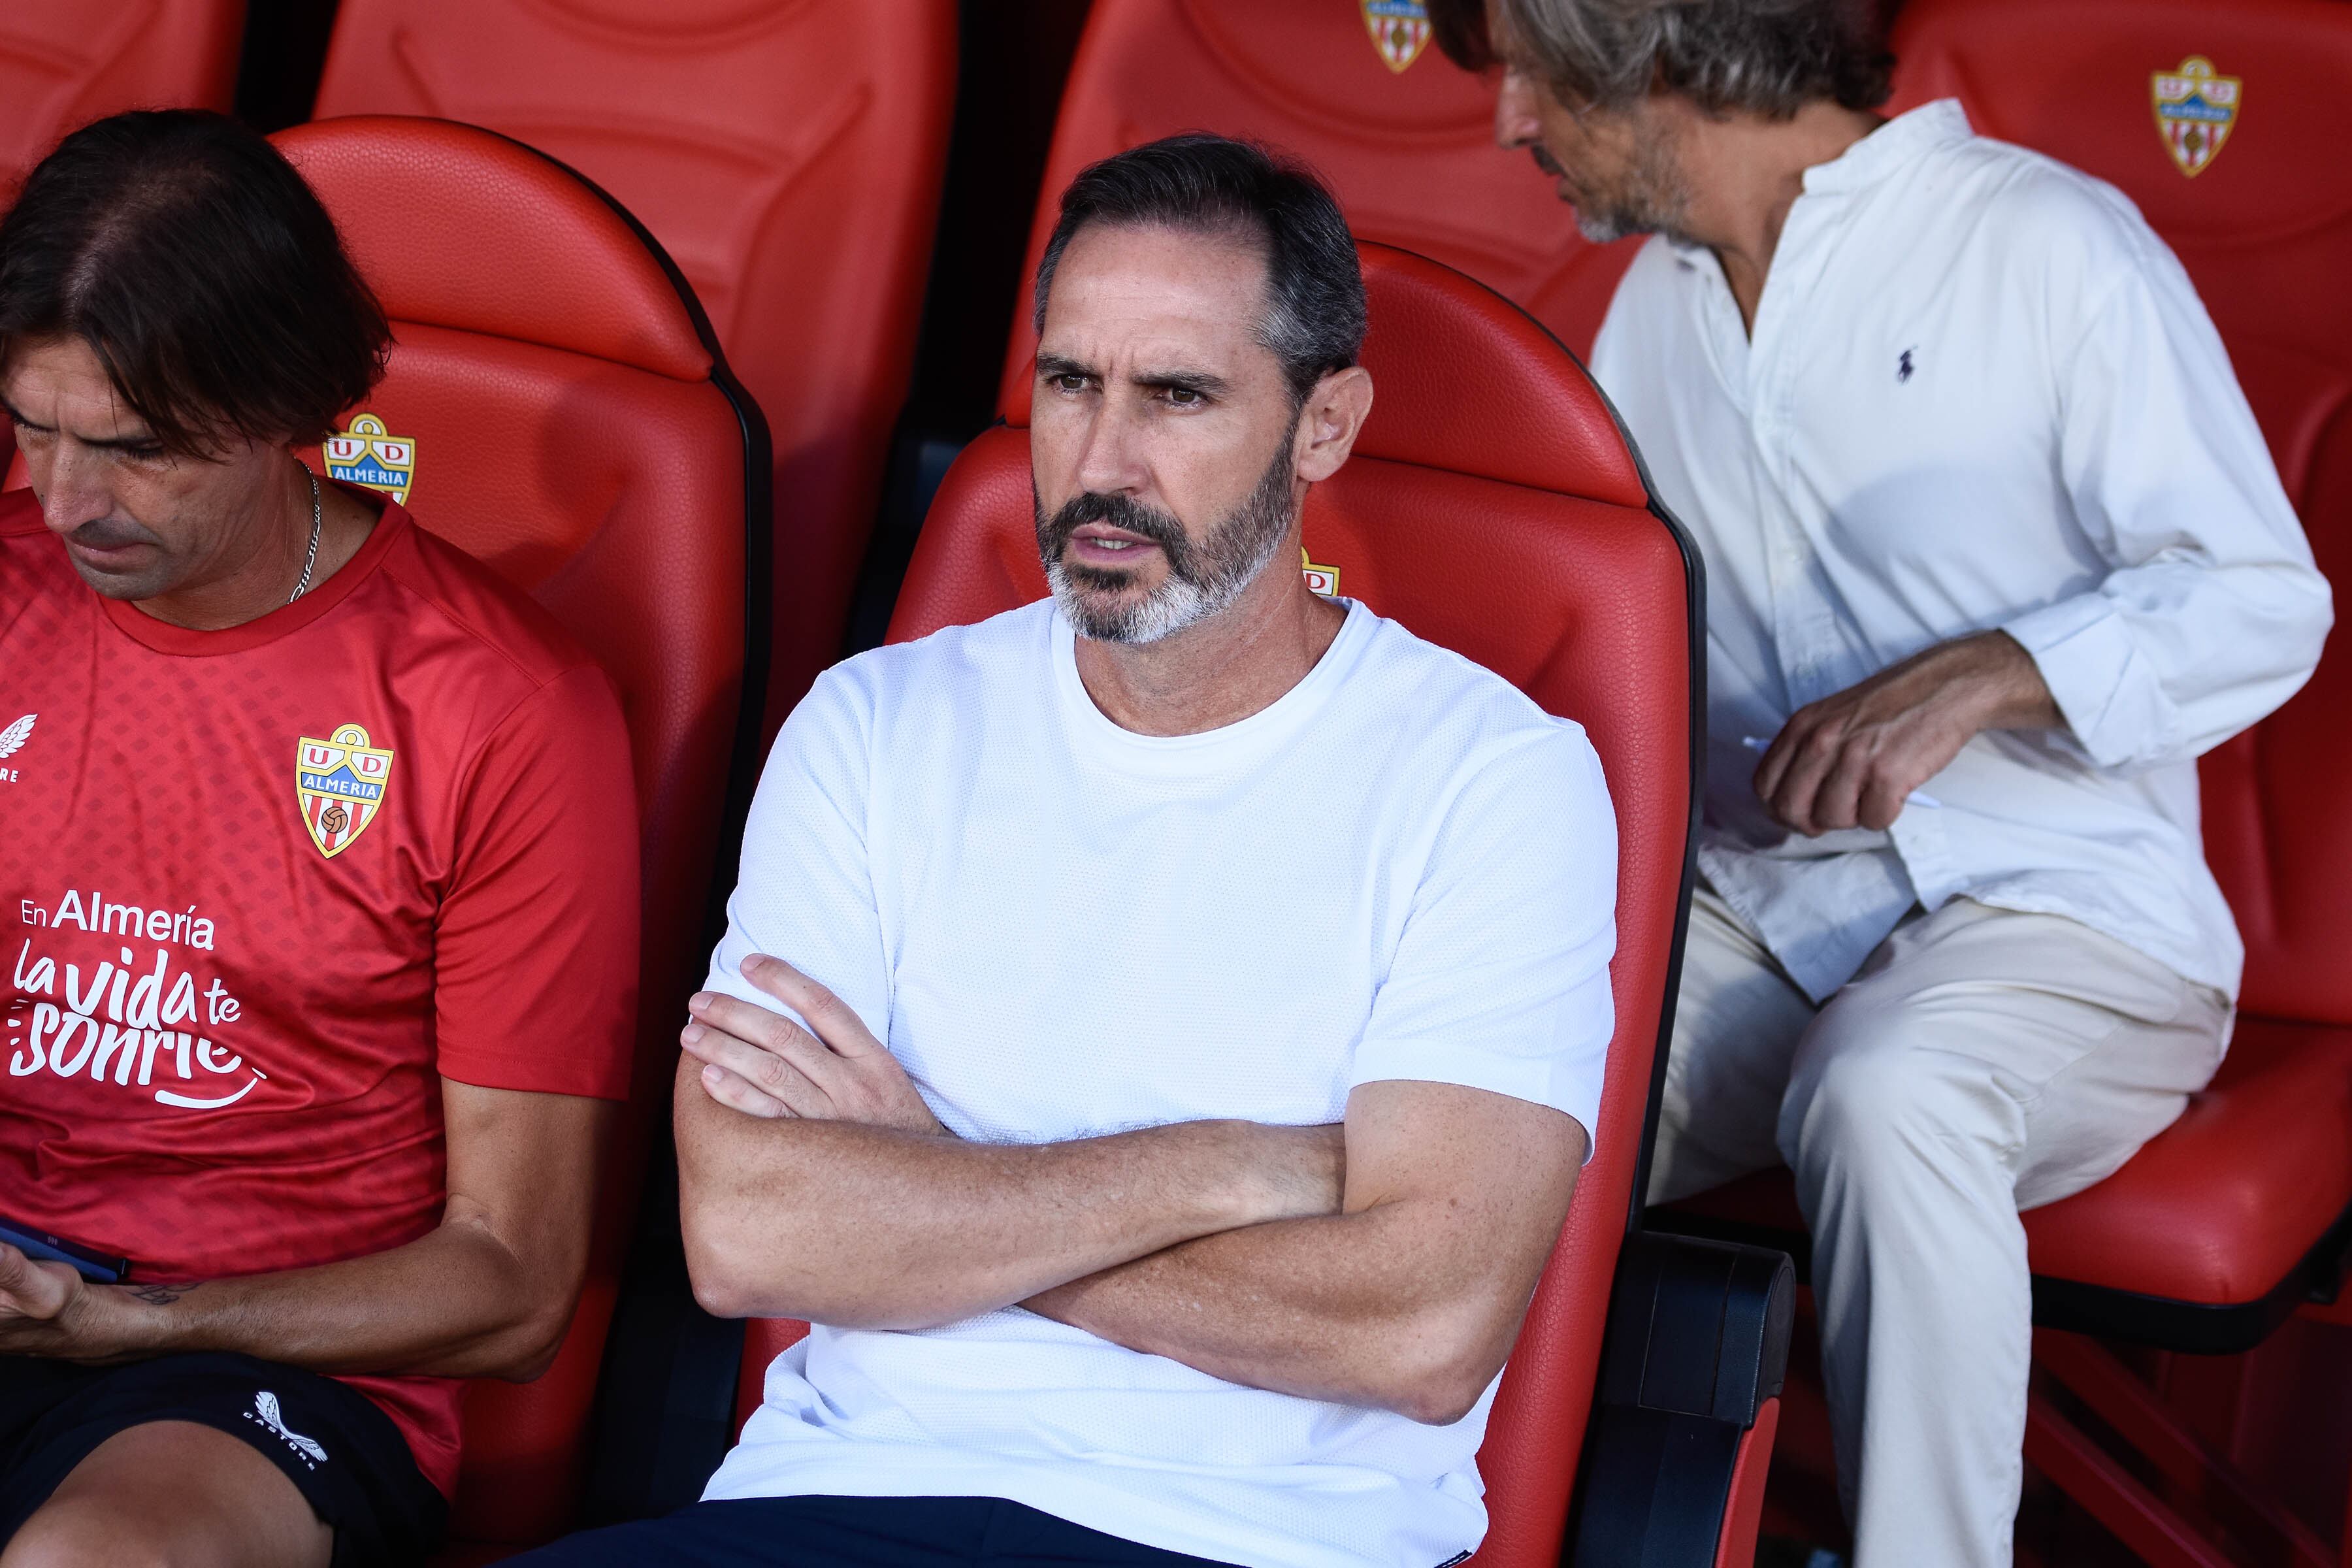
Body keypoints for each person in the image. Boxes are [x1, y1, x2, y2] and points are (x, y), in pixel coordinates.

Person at [519, 133, 1619, 1568]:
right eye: (1068, 384)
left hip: (1247, 1543)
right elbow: (748, 1233)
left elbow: (1419, 1328)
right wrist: (1223, 1168)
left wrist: (930, 1178)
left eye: (1176, 395)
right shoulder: (872, 724)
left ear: (1326, 423)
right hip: (831, 1506)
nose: (1102, 465)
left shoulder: (1497, 781)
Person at [1425, 1, 2333, 1563]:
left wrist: (1990, 670)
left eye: (1536, 73)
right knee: (1475, 1096)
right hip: (1761, 905)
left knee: (1889, 1091)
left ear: (1659, 58)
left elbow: (2266, 596)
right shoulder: (1645, 316)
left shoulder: (2047, 245)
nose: (1509, 121)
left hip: (2069, 916)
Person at [0, 111, 641, 1568]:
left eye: (134, 450)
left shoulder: (497, 710)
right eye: (30, 429)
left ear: (293, 407)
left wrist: (128, 1326)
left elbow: (513, 1278)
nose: (63, 500)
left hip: (253, 1366)